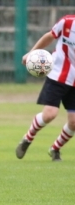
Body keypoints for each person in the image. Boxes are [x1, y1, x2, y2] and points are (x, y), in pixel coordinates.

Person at [15, 14, 75, 162]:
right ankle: (28, 139)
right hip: (57, 74)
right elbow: (49, 36)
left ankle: (55, 149)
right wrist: (31, 53)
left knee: (74, 122)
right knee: (50, 114)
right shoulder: (67, 22)